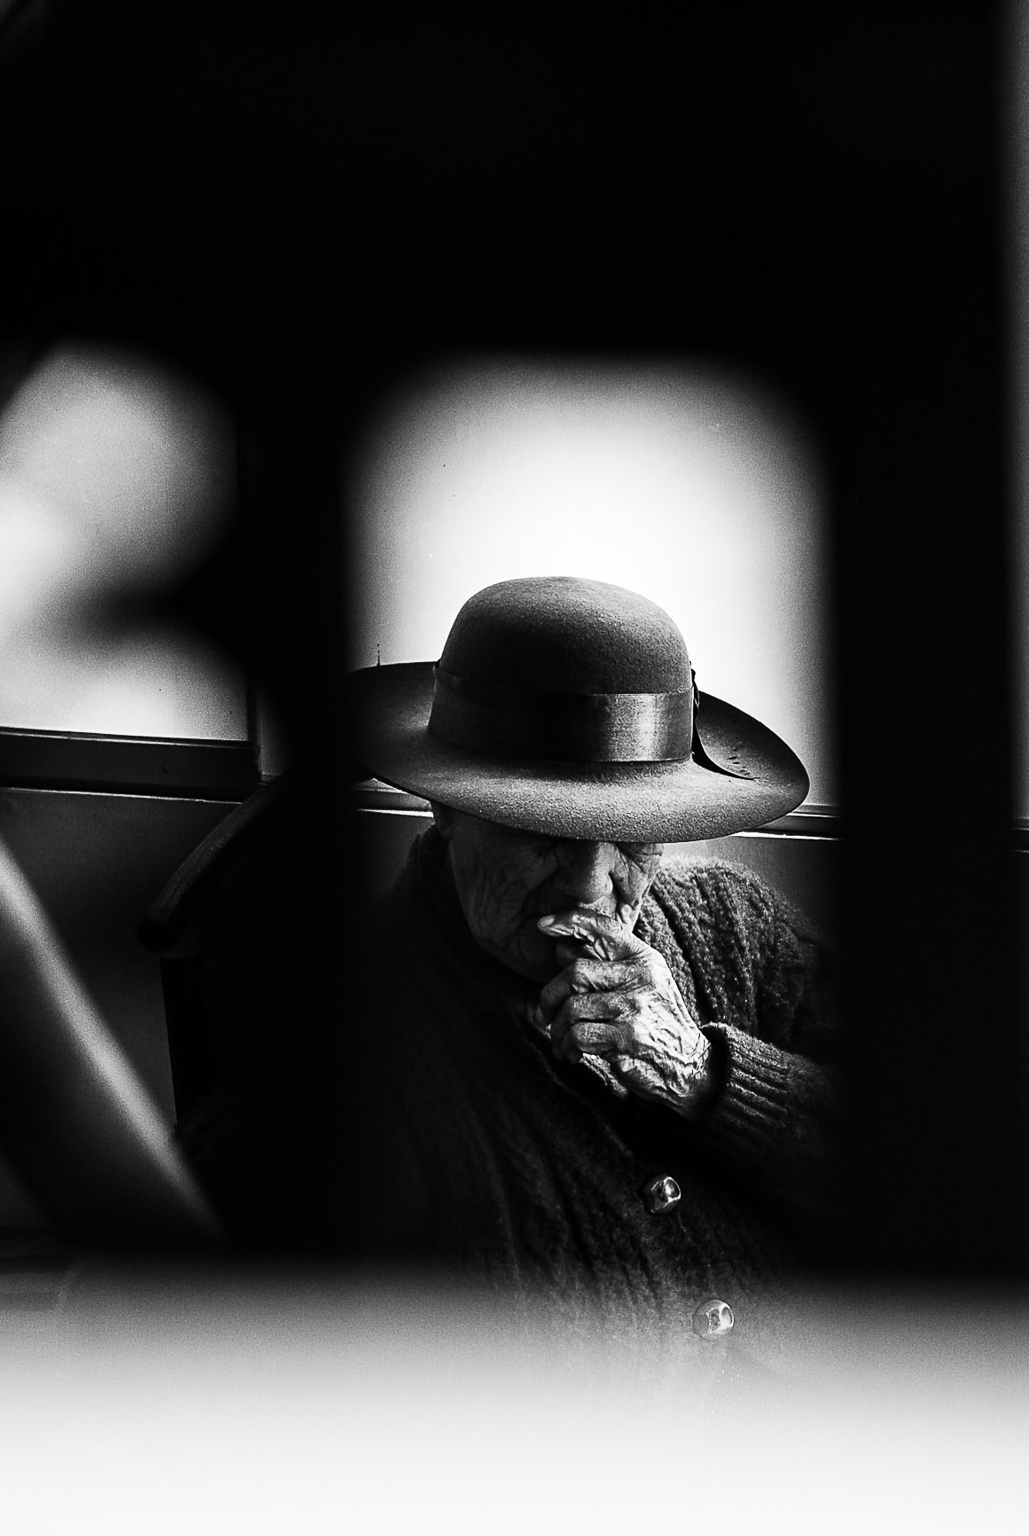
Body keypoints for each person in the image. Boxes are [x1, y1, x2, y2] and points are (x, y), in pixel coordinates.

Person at [342, 575, 841, 1341]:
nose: (590, 885)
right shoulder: (357, 1032)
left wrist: (707, 1077)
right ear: (447, 807)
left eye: (631, 834)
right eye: (544, 832)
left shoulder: (733, 923)